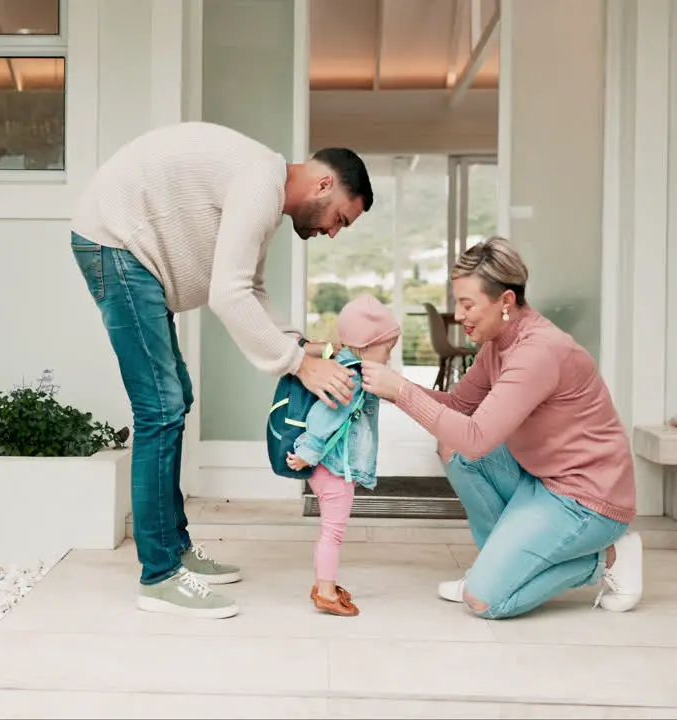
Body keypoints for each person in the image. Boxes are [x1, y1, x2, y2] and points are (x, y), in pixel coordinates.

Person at [69, 121, 374, 619]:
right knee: (160, 408)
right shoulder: (259, 182)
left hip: (129, 250)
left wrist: (303, 344)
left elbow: (249, 288)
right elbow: (227, 296)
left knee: (174, 400)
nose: (332, 232)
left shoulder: (264, 190)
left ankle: (173, 547)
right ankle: (160, 575)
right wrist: (300, 367)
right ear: (324, 185)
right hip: (115, 243)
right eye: (341, 218)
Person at [358, 237, 643, 619]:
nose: (459, 315)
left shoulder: (537, 352)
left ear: (505, 301)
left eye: (467, 303)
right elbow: (458, 408)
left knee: (486, 601)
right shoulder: (498, 343)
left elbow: (477, 439)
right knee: (452, 447)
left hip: (587, 498)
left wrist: (404, 391)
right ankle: (499, 567)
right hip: (543, 479)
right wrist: (389, 389)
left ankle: (605, 556)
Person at [285, 294, 402, 617]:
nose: (390, 355)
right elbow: (326, 415)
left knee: (331, 530)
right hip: (333, 468)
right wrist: (308, 453)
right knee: (332, 532)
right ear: (365, 346)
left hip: (331, 466)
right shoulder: (350, 377)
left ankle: (325, 584)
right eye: (387, 348)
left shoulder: (352, 369)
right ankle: (325, 591)